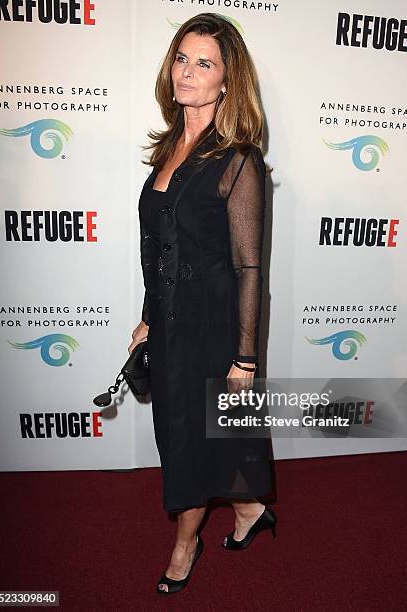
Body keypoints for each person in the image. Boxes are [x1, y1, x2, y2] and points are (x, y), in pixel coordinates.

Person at [128, 13, 276, 594]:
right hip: (168, 319)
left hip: (213, 324)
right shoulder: (169, 145)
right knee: (196, 430)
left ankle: (185, 543)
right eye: (181, 58)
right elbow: (157, 246)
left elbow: (250, 268)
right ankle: (246, 511)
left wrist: (245, 358)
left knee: (198, 434)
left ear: (226, 82)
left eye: (204, 63)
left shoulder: (239, 160)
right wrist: (146, 314)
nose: (187, 72)